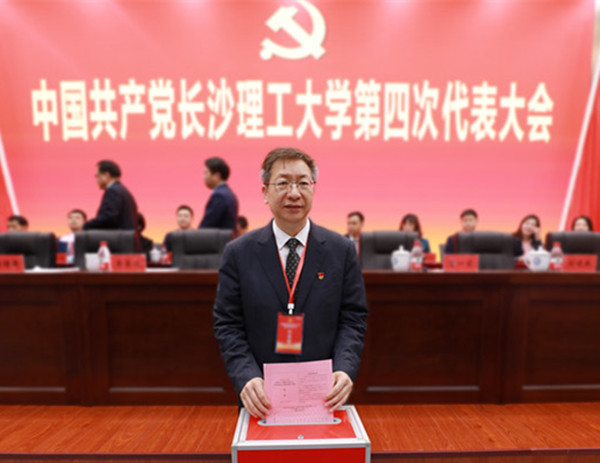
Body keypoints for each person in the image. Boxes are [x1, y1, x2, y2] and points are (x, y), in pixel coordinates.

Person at [213, 147, 368, 419]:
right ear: (265, 192)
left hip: (324, 397)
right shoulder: (239, 253)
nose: (294, 193)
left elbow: (353, 318)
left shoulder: (340, 250)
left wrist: (344, 368)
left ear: (313, 189)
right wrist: (246, 376)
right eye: (283, 183)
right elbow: (228, 324)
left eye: (303, 183)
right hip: (262, 399)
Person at [83, 160, 139, 231]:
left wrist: (86, 225)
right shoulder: (123, 190)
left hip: (117, 236)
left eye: (97, 176)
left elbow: (108, 218)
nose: (96, 180)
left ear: (106, 175)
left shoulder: (113, 191)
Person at [199, 157, 238, 232]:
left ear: (217, 176)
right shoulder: (229, 193)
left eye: (206, 173)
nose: (203, 177)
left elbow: (206, 226)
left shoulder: (219, 196)